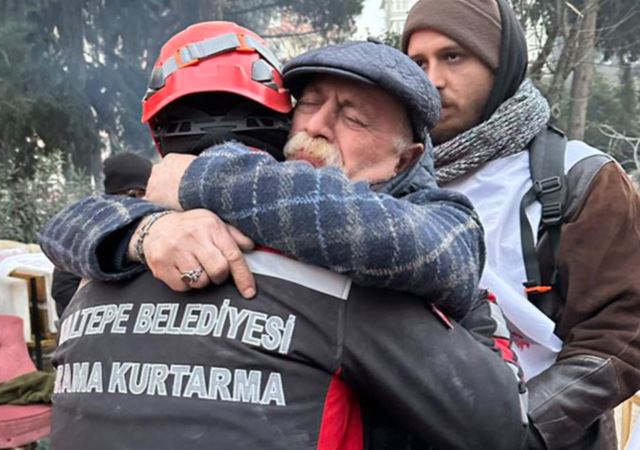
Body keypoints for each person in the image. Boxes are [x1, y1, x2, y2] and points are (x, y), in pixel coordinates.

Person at [50, 30, 527, 450]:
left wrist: (202, 174)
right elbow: (64, 228)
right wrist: (147, 229)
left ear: (406, 159)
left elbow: (412, 245)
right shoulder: (249, 207)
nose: (317, 127)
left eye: (355, 118)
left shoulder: (443, 220)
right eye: (310, 104)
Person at [401, 0, 640, 448]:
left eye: (453, 56)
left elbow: (621, 336)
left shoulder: (581, 177)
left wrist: (521, 426)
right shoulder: (390, 175)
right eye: (418, 62)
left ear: (500, 64)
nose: (432, 80)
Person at [51, 152, 152, 317]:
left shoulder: (153, 225)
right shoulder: (86, 229)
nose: (143, 201)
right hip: (90, 325)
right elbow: (63, 289)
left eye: (146, 193)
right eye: (134, 194)